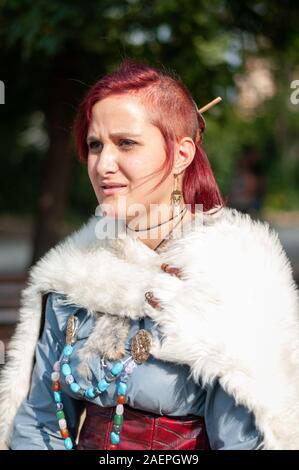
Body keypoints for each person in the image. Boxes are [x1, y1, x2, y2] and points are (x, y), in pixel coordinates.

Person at [1, 59, 299, 451]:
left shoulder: (233, 274)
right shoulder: (72, 274)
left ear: (181, 155)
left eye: (126, 143)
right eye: (95, 145)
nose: (103, 165)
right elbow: (38, 422)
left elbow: (247, 440)